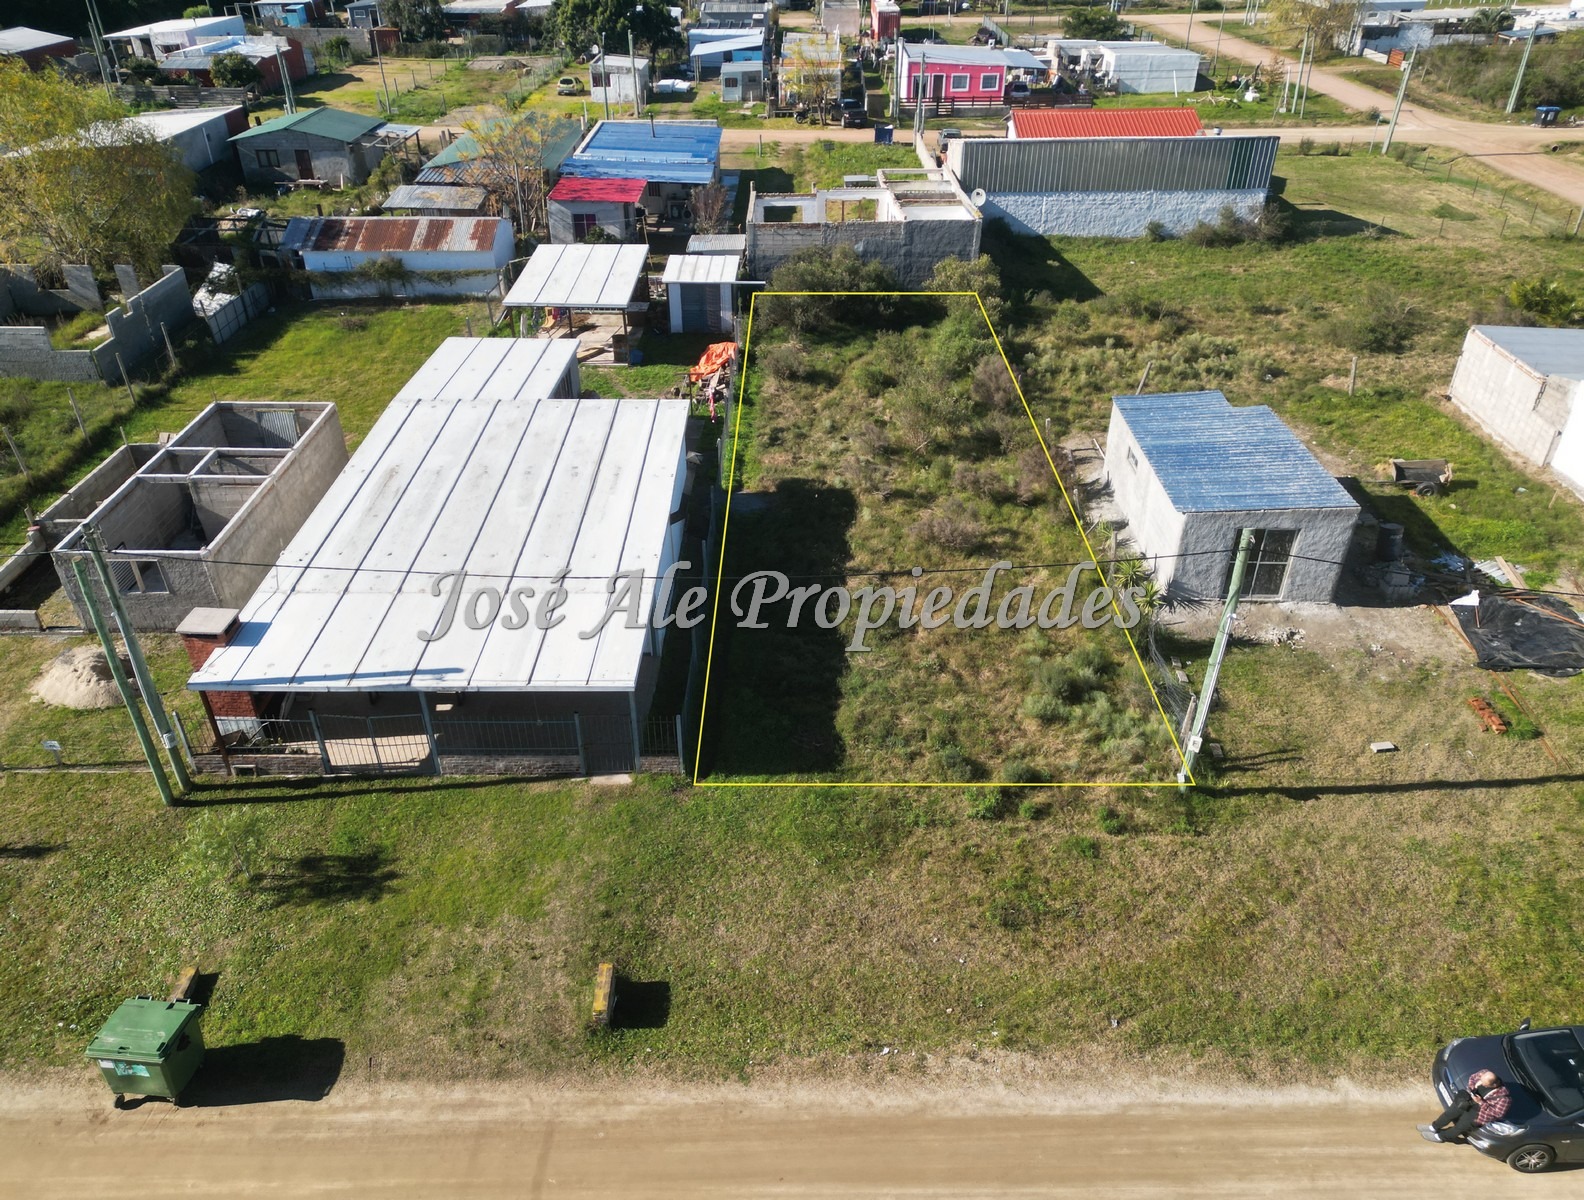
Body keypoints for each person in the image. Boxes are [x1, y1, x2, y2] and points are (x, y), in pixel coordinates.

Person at [1419, 1070, 1511, 1143]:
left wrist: (1481, 1102)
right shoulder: (1484, 1074)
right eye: (1481, 1081)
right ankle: (1434, 1127)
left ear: (1493, 1085)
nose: (1482, 1084)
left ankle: (1440, 1137)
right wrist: (1474, 1085)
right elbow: (1472, 1078)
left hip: (1479, 1113)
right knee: (1449, 1114)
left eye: (1484, 1084)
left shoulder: (1504, 1098)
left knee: (1459, 1127)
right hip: (1467, 1101)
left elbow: (1497, 1114)